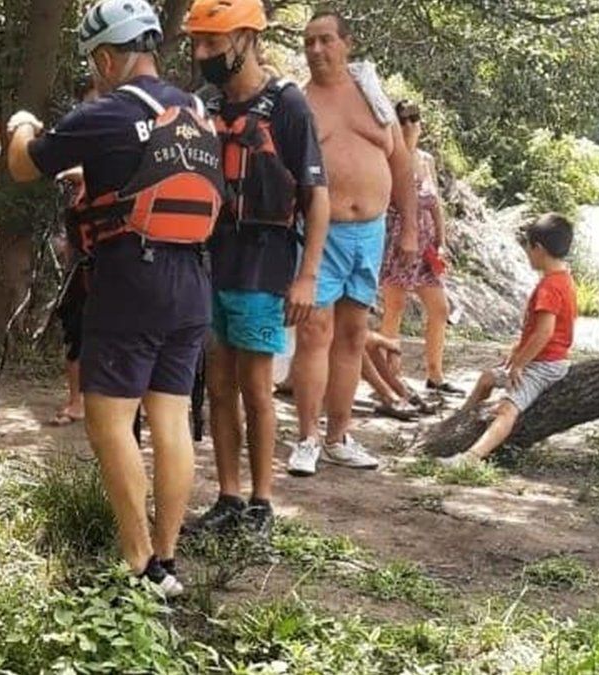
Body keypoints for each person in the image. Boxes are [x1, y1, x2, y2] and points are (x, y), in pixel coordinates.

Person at [7, 0, 223, 596]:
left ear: (105, 57)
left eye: (92, 62)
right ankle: (168, 561)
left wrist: (21, 123)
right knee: (171, 418)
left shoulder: (107, 111)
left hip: (131, 280)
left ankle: (139, 563)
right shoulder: (197, 112)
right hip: (192, 279)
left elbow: (24, 165)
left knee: (109, 422)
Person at [183, 0, 330, 536]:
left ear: (245, 38)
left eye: (212, 42)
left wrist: (307, 275)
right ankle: (228, 497)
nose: (203, 53)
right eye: (197, 43)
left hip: (264, 264)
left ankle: (262, 502)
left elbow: (316, 196)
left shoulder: (286, 104)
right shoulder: (204, 105)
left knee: (256, 385)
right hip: (210, 260)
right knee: (218, 385)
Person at [287, 9, 419, 477]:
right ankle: (307, 437)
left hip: (372, 231)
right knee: (313, 333)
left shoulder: (372, 96)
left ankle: (339, 437)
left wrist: (409, 230)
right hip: (321, 232)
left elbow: (401, 165)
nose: (316, 49)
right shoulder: (300, 104)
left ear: (348, 43)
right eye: (309, 42)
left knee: (352, 334)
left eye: (326, 40)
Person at [441, 214, 577, 467]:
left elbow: (545, 332)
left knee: (506, 409)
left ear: (538, 248)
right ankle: (458, 420)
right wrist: (517, 350)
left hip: (545, 365)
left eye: (528, 248)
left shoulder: (549, 287)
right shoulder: (564, 278)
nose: (527, 253)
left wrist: (520, 364)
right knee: (488, 378)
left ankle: (471, 458)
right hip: (540, 358)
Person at [379, 100, 464, 396]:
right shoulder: (389, 156)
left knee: (439, 309)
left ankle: (435, 375)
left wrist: (441, 242)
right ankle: (391, 376)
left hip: (426, 246)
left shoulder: (426, 159)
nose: (409, 124)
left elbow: (436, 204)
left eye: (413, 118)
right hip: (398, 243)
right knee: (395, 308)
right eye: (402, 119)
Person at [49, 78, 100, 427]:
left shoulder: (126, 144)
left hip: (114, 264)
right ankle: (76, 400)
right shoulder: (77, 148)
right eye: (87, 104)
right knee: (76, 330)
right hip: (79, 262)